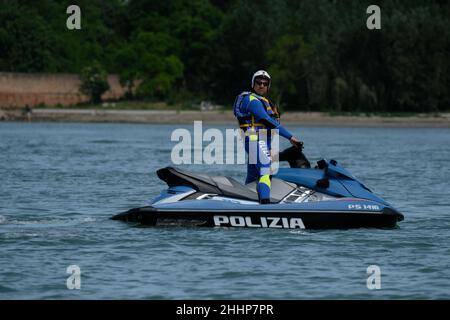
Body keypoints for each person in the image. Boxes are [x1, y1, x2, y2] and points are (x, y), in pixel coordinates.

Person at [233, 70, 303, 204]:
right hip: (254, 140)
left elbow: (271, 127)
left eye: (265, 84)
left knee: (253, 177)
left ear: (268, 86)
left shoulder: (267, 102)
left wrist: (269, 147)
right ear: (253, 84)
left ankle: (246, 203)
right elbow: (266, 120)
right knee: (266, 171)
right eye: (258, 83)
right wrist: (290, 137)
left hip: (262, 142)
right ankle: (265, 205)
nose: (261, 86)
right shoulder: (251, 100)